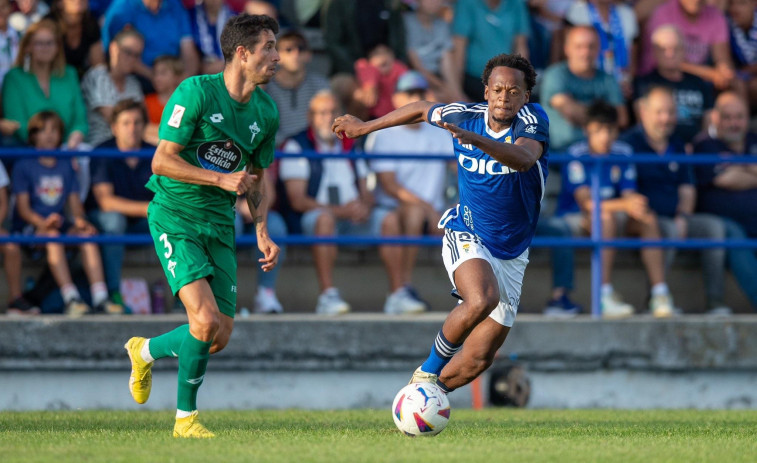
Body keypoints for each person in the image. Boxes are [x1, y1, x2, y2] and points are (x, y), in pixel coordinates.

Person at [333, 53, 547, 392]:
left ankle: (421, 398)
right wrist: (365, 127)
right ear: (486, 92)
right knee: (480, 298)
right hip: (467, 230)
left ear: (526, 97)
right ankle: (426, 372)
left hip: (513, 251)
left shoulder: (532, 122)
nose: (505, 97)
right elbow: (420, 107)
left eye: (513, 91)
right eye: (498, 89)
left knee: (479, 358)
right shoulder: (465, 115)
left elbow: (523, 159)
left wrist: (477, 141)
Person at [123, 14, 281, 438]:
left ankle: (145, 350)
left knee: (217, 335)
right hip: (175, 215)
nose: (277, 57)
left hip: (220, 224)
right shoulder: (194, 91)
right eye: (268, 47)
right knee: (205, 319)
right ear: (242, 53)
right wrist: (218, 178)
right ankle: (185, 421)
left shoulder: (266, 111)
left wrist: (262, 230)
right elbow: (161, 160)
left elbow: (256, 179)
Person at [280, 90, 419, 315]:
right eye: (321, 113)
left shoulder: (350, 144)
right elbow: (298, 201)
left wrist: (364, 206)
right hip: (316, 220)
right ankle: (327, 296)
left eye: (333, 111)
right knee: (324, 220)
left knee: (388, 219)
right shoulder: (296, 145)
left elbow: (367, 191)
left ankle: (398, 294)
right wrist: (339, 211)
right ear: (310, 117)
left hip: (353, 218)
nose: (328, 117)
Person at [554, 100, 674, 318]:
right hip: (575, 218)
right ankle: (603, 296)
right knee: (605, 217)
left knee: (647, 217)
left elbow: (629, 193)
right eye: (598, 130)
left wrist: (634, 204)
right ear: (586, 131)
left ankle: (660, 294)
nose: (605, 137)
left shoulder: (623, 151)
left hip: (611, 214)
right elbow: (587, 204)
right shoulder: (576, 154)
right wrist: (625, 204)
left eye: (610, 130)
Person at [622, 85, 728, 315]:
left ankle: (715, 302)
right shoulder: (628, 144)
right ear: (643, 112)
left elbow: (687, 187)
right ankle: (656, 302)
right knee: (667, 229)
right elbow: (626, 193)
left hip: (676, 216)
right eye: (660, 112)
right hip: (642, 221)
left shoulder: (678, 143)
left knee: (714, 228)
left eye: (671, 112)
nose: (666, 118)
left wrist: (684, 215)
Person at [12, 110, 121, 316]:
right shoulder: (23, 165)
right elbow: (23, 209)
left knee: (86, 235)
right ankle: (71, 298)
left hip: (58, 224)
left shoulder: (65, 165)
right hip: (31, 228)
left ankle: (100, 297)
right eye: (43, 130)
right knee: (53, 235)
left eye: (54, 130)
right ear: (33, 135)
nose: (49, 135)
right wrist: (43, 223)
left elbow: (74, 203)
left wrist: (80, 221)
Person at [364, 71, 452, 312]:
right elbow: (389, 186)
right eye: (409, 93)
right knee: (410, 215)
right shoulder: (385, 134)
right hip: (390, 208)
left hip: (430, 211)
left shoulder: (439, 131)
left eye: (420, 93)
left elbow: (463, 168)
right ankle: (403, 288)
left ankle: (484, 303)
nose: (415, 98)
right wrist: (430, 210)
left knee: (479, 221)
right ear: (396, 99)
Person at [88, 99, 154, 310]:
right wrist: (151, 209)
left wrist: (158, 211)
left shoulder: (156, 154)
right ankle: (113, 293)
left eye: (137, 122)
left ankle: (183, 295)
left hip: (143, 221)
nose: (132, 128)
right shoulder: (102, 152)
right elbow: (106, 202)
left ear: (145, 125)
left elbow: (170, 196)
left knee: (179, 221)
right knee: (114, 221)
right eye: (126, 123)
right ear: (114, 127)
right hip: (104, 220)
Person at [693, 91, 757, 310]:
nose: (734, 123)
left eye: (739, 117)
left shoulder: (754, 141)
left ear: (748, 118)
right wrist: (751, 169)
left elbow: (733, 175)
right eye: (727, 117)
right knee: (732, 235)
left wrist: (738, 167)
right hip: (722, 220)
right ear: (716, 119)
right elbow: (725, 179)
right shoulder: (705, 144)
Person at [1, 18, 88, 148]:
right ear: (28, 47)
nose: (45, 48)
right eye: (39, 43)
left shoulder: (69, 74)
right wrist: (48, 142)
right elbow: (16, 123)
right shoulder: (14, 78)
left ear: (58, 47)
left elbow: (80, 120)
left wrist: (75, 138)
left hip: (68, 146)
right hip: (29, 147)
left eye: (50, 43)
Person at [540, 25, 627, 153]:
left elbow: (621, 118)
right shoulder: (555, 75)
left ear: (598, 49)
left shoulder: (608, 79)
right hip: (559, 155)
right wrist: (603, 114)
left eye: (591, 47)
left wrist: (577, 108)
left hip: (601, 154)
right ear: (567, 49)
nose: (585, 52)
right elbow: (569, 110)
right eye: (579, 47)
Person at [634, 24, 714, 145]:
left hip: (697, 149)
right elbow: (643, 123)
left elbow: (709, 122)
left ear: (684, 51)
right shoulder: (644, 84)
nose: (670, 54)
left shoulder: (699, 83)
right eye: (664, 49)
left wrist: (700, 145)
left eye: (676, 48)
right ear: (654, 52)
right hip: (661, 148)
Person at [640, 0, 736, 91]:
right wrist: (710, 74)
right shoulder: (663, 13)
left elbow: (722, 56)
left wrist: (724, 72)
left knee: (736, 85)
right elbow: (669, 60)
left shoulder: (715, 15)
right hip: (660, 80)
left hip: (697, 82)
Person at [450, 0, 531, 102]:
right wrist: (457, 92)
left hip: (506, 81)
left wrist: (522, 85)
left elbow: (521, 46)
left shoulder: (517, 4)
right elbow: (458, 49)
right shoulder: (467, 3)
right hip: (472, 79)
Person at [102, 0, 200, 81]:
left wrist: (185, 80)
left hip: (173, 77)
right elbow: (119, 53)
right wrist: (156, 78)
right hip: (139, 79)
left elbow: (188, 49)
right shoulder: (122, 9)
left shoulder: (175, 5)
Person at [263, 28, 329, 145]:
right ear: (277, 56)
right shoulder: (265, 87)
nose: (296, 53)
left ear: (309, 54)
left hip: (312, 150)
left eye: (301, 48)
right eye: (288, 49)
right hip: (277, 152)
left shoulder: (321, 84)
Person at [81, 29, 144, 146]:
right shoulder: (98, 76)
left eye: (137, 55)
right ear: (114, 48)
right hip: (99, 149)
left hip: (130, 150)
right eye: (128, 52)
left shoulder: (134, 84)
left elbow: (141, 122)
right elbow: (117, 119)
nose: (132, 59)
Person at [564, 0, 639, 97]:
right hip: (587, 85)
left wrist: (628, 81)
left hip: (621, 85)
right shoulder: (577, 11)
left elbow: (633, 54)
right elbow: (569, 52)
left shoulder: (627, 13)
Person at [402, 0, 463, 103]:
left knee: (451, 97)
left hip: (437, 77)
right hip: (413, 78)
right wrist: (443, 87)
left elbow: (446, 59)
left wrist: (454, 91)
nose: (434, 2)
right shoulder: (406, 22)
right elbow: (416, 65)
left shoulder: (442, 25)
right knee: (435, 99)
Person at [45, 0, 105, 78]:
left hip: (82, 80)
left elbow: (98, 65)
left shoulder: (91, 24)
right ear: (59, 3)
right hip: (53, 78)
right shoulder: (49, 25)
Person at [143, 55, 183, 145]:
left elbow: (180, 134)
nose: (157, 78)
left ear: (177, 76)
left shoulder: (183, 103)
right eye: (155, 73)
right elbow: (143, 130)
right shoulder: (146, 102)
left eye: (163, 73)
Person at [189, 0, 233, 75]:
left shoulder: (235, 17)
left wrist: (224, 65)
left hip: (229, 71)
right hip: (199, 74)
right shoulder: (190, 16)